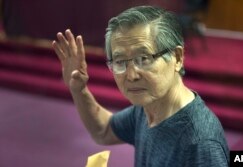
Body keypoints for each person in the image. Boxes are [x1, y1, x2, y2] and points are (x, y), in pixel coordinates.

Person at [52, 6, 229, 167]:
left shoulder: (201, 144)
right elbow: (103, 130)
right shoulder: (146, 107)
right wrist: (79, 89)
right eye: (120, 62)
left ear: (177, 57)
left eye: (143, 59)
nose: (131, 75)